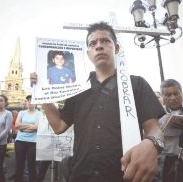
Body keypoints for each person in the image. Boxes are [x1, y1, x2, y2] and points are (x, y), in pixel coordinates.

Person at [30, 22, 165, 182]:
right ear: (87, 52)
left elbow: (154, 128)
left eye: (105, 41)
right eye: (93, 43)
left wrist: (152, 144)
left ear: (116, 48)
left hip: (125, 175)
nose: (99, 46)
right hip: (81, 175)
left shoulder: (136, 84)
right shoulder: (77, 87)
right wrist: (42, 91)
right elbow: (59, 126)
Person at [158, 79, 183, 182]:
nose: (173, 98)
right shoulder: (156, 115)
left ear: (181, 94)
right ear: (163, 98)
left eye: (176, 93)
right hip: (167, 161)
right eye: (168, 95)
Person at [14, 95, 43, 182]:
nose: (29, 103)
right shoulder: (21, 113)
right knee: (19, 164)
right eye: (28, 101)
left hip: (33, 142)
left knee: (32, 165)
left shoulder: (39, 113)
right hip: (20, 141)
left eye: (32, 101)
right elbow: (16, 125)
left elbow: (37, 127)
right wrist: (31, 126)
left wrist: (23, 127)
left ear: (36, 103)